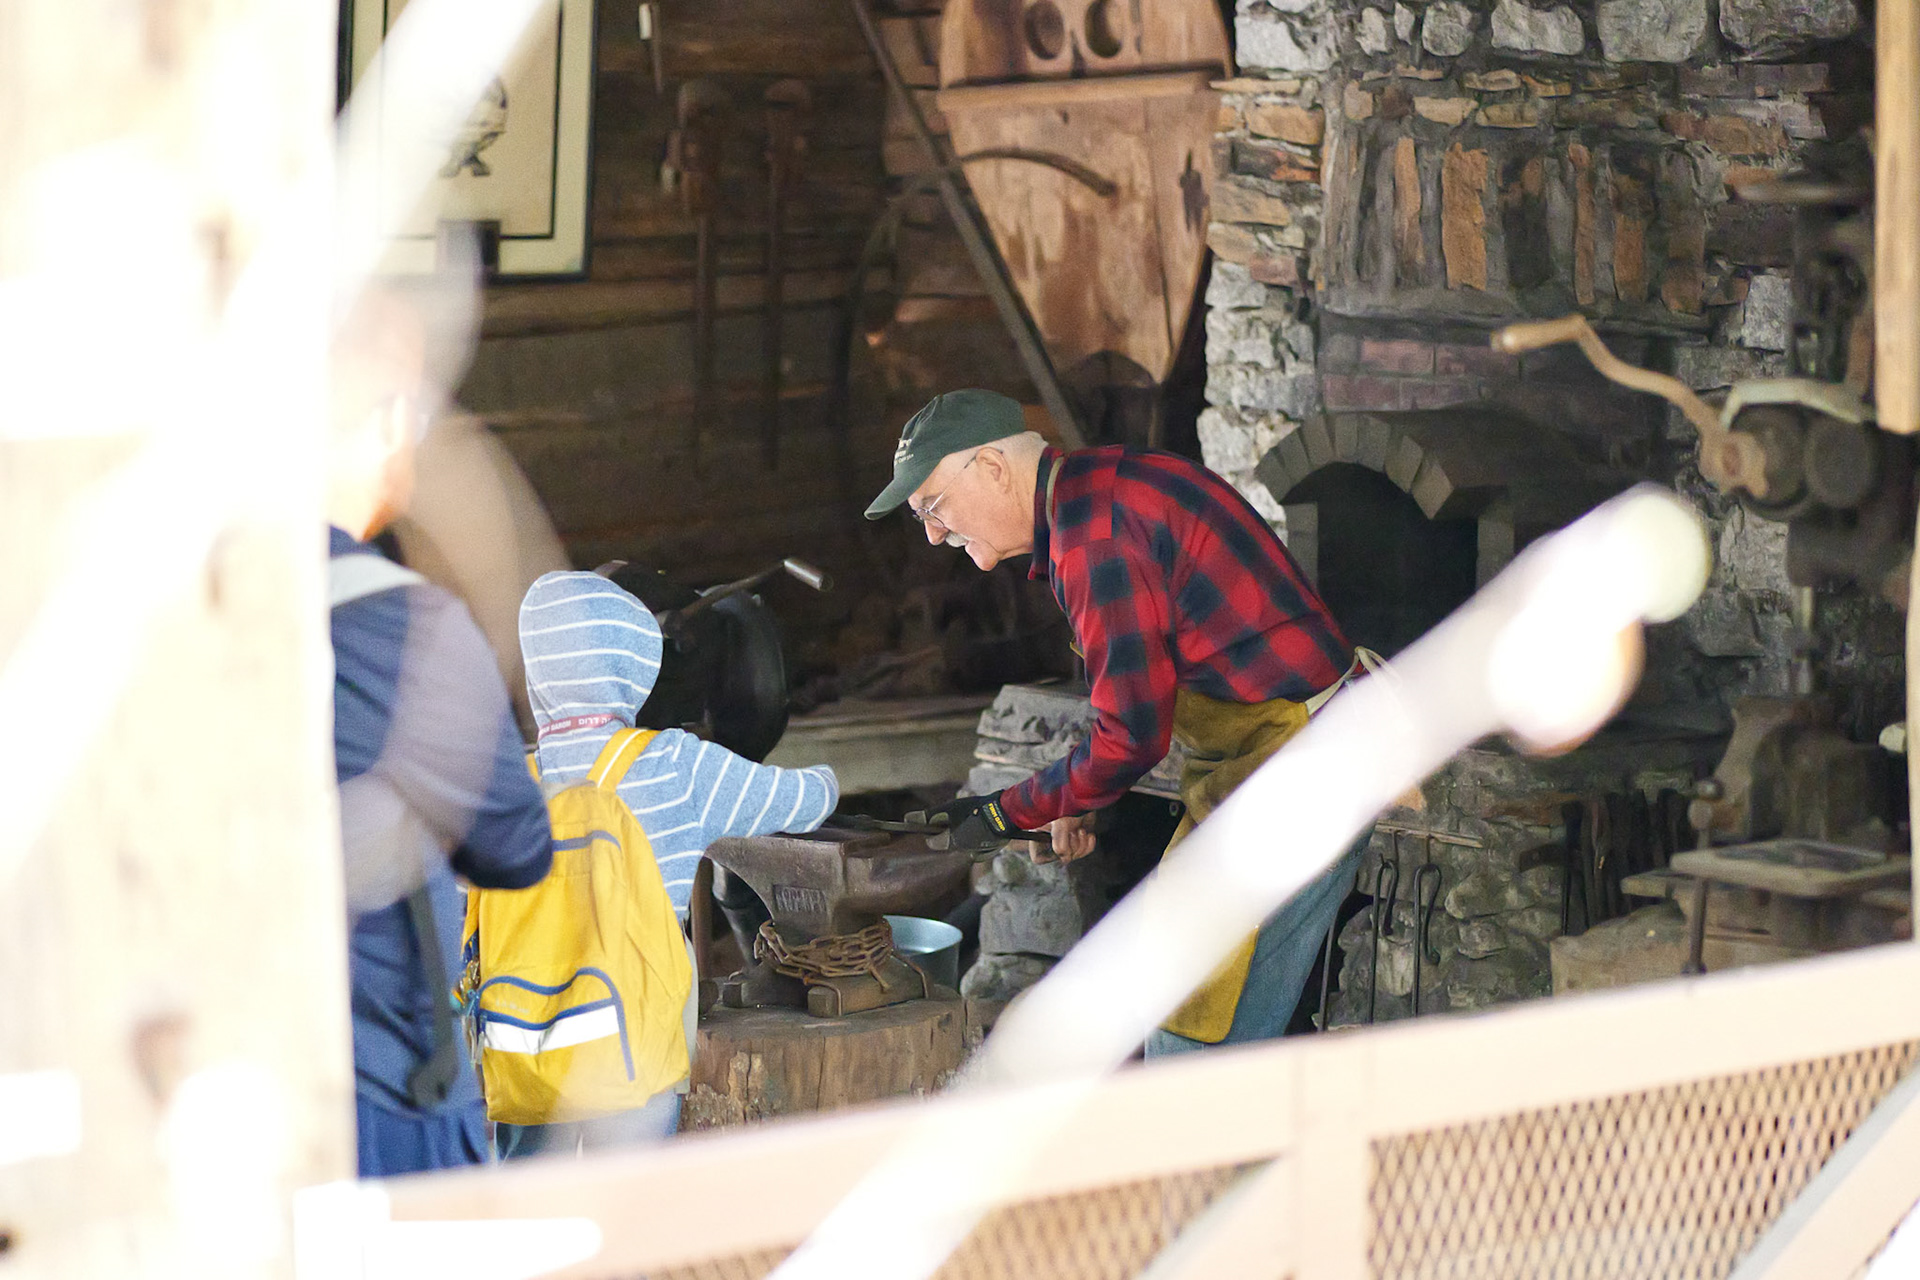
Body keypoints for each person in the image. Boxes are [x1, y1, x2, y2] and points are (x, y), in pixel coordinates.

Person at [867, 389, 1369, 1056]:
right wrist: (1075, 799)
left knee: (1188, 1024)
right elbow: (1131, 694)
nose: (933, 534)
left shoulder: (1094, 538)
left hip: (1305, 767)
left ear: (991, 467)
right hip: (1273, 754)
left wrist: (1003, 814)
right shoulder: (1090, 498)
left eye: (933, 506)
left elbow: (1133, 735)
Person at [327, 291, 555, 1175]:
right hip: (382, 1095)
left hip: (189, 1083)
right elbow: (516, 847)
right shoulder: (408, 628)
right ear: (382, 421)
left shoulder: (153, 613)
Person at [499, 569, 840, 1155]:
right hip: (634, 1045)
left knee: (527, 1199)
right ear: (634, 664)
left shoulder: (511, 785)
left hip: (525, 1037)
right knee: (631, 1194)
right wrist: (828, 779)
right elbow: (800, 801)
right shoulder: (674, 766)